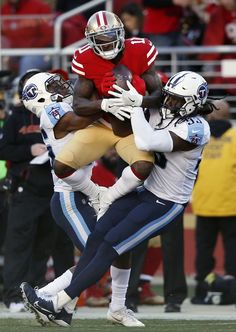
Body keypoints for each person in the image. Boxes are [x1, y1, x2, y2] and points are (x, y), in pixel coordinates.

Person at [20, 71, 215, 326]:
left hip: (166, 202)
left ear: (193, 102)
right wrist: (127, 93)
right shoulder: (54, 112)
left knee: (111, 246)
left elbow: (146, 139)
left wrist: (135, 101)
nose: (169, 103)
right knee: (101, 241)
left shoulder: (197, 127)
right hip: (125, 193)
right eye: (168, 97)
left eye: (177, 100)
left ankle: (57, 302)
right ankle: (70, 303)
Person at [21, 71, 144, 327]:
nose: (62, 85)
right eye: (52, 84)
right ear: (41, 95)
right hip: (70, 197)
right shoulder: (51, 111)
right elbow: (78, 120)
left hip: (85, 192)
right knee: (99, 254)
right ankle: (45, 295)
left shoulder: (64, 104)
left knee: (119, 246)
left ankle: (107, 307)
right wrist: (108, 101)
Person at [53, 10, 162, 220]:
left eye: (111, 37)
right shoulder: (85, 57)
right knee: (61, 166)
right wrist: (104, 104)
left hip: (133, 125)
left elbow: (158, 96)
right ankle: (96, 195)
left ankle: (109, 197)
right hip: (102, 123)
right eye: (100, 40)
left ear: (121, 34)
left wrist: (138, 100)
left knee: (143, 167)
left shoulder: (140, 49)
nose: (107, 44)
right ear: (90, 40)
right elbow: (78, 105)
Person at [0, 69, 56, 313]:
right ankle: (13, 294)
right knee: (18, 244)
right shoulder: (17, 117)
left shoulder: (60, 114)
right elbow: (4, 150)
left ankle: (34, 292)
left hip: (53, 188)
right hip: (25, 188)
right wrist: (29, 151)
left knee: (44, 244)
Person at [191, 99, 236, 304]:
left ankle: (202, 290)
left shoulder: (200, 136)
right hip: (231, 203)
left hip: (203, 202)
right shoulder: (235, 137)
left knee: (204, 251)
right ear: (228, 116)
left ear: (210, 115)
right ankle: (232, 288)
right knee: (233, 250)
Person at [1, 0, 53, 76]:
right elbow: (4, 34)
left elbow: (49, 36)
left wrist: (27, 47)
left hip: (40, 51)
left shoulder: (40, 6)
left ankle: (24, 85)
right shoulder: (5, 8)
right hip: (15, 52)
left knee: (28, 61)